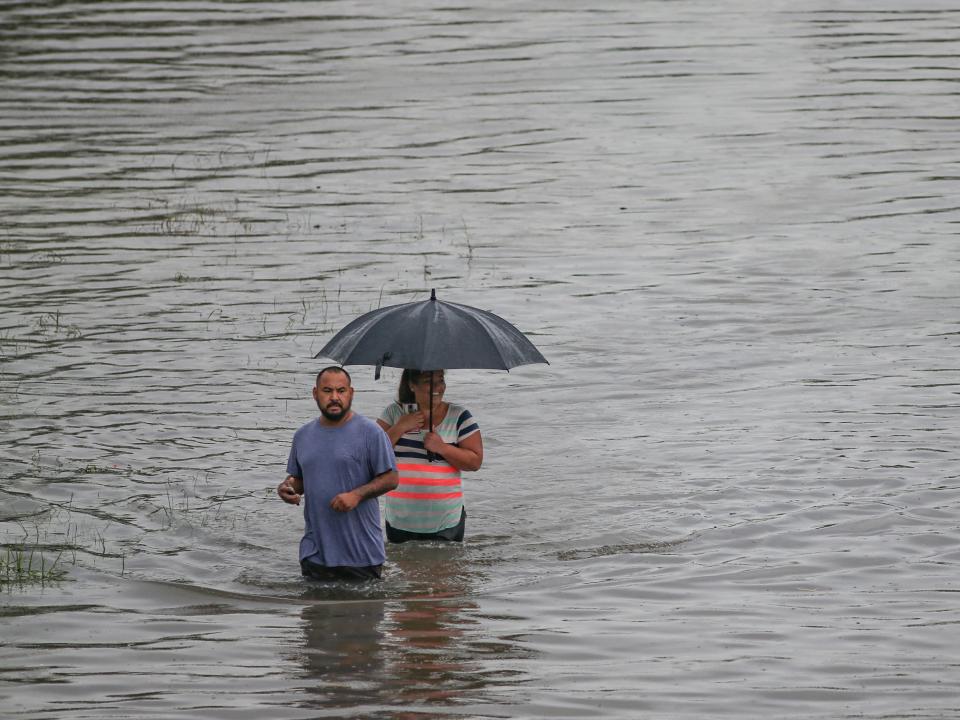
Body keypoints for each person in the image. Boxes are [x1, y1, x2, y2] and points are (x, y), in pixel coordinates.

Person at [278, 366, 399, 581]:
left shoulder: (371, 433)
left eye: (341, 391)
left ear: (351, 393)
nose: (334, 397)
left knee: (364, 614)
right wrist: (286, 488)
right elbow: (299, 480)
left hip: (361, 555)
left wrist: (356, 495)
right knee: (315, 613)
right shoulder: (303, 436)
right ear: (315, 393)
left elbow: (391, 479)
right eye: (327, 391)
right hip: (314, 554)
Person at [376, 369, 483, 543]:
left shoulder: (459, 416)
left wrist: (442, 448)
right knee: (403, 570)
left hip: (446, 522)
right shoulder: (393, 414)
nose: (437, 387)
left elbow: (475, 462)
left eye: (440, 380)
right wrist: (400, 427)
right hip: (399, 520)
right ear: (411, 385)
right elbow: (372, 455)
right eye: (428, 381)